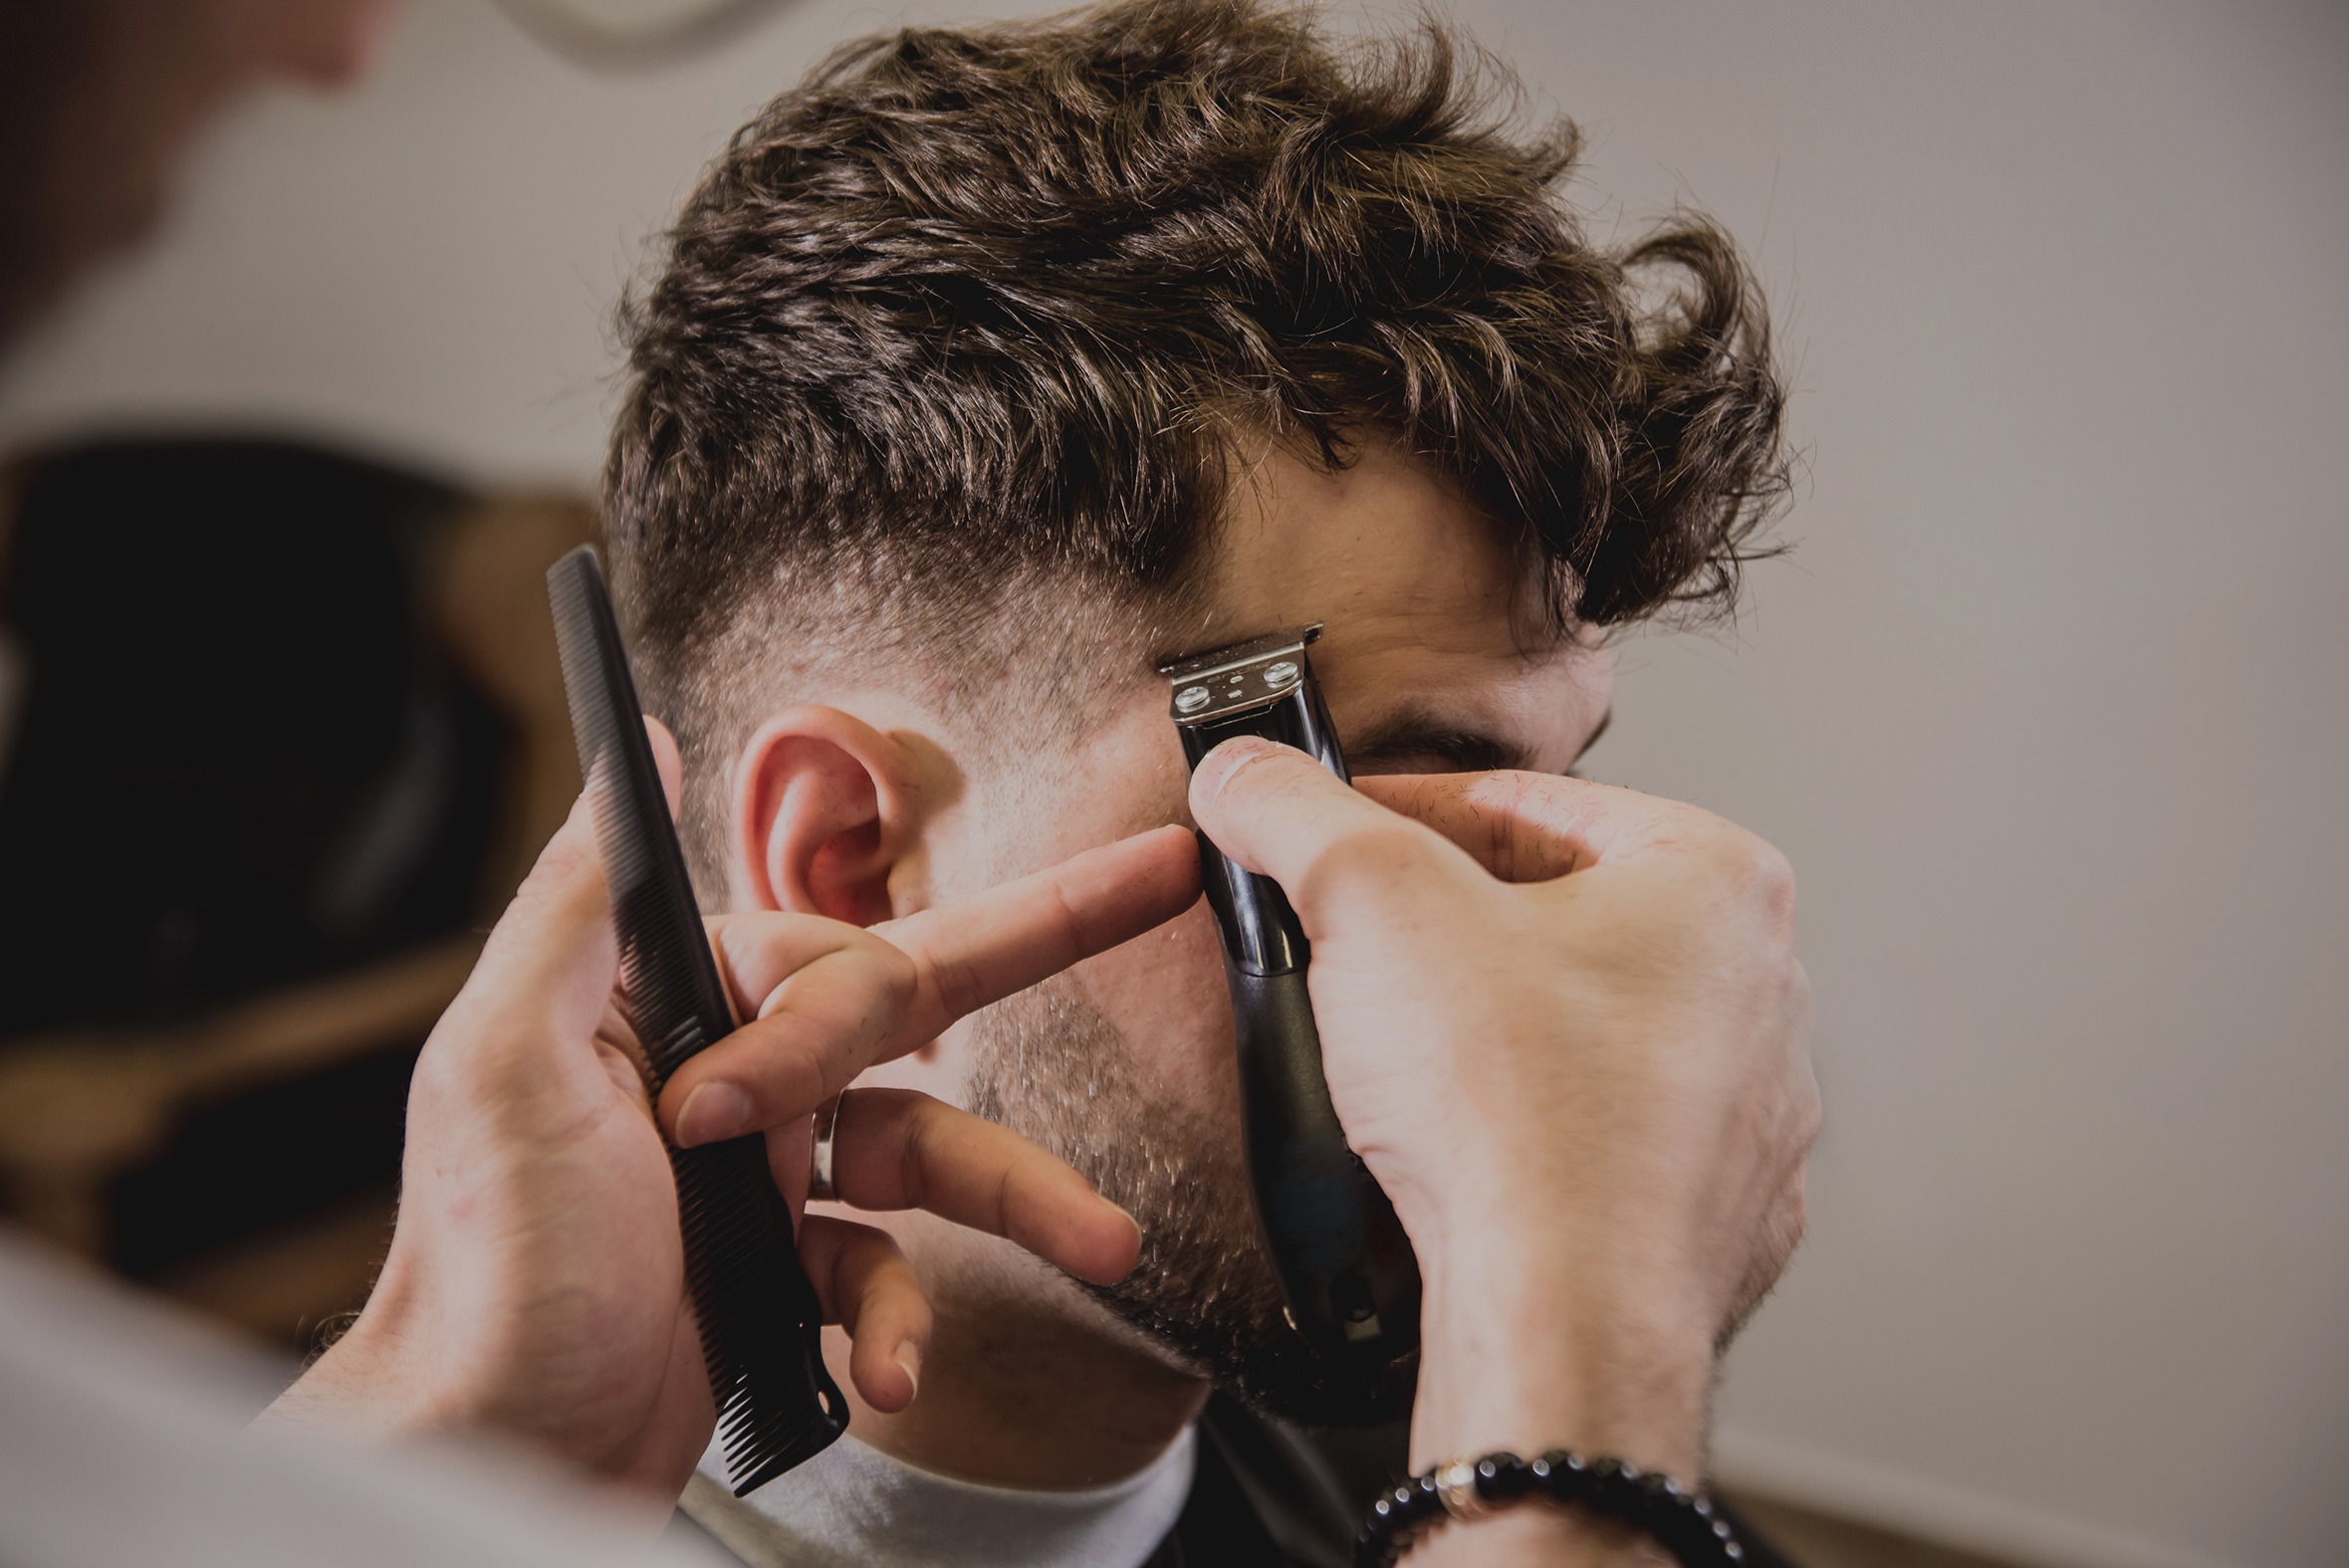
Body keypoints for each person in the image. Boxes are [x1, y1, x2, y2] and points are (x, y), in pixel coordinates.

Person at [0, 2, 1819, 1566]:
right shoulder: (1551, 1448)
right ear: (859, 861)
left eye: (1541, 822)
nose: (1554, 977)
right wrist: (1582, 1406)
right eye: (1410, 821)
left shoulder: (1407, 1458)